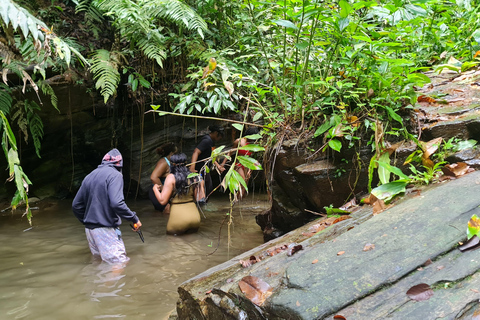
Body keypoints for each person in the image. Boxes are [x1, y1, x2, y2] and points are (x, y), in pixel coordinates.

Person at [72, 148, 142, 264]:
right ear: (119, 165)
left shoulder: (89, 176)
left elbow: (76, 205)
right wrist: (134, 218)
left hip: (90, 230)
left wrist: (88, 221)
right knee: (119, 264)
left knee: (100, 263)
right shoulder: (115, 175)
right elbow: (117, 203)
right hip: (105, 229)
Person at [152, 153, 201, 235]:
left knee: (173, 242)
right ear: (186, 163)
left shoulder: (171, 177)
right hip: (195, 218)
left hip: (178, 219)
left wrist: (155, 189)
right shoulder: (193, 177)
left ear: (172, 165)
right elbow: (197, 198)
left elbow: (162, 201)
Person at [190, 125, 225, 203]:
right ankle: (201, 205)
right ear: (216, 133)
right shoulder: (207, 141)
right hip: (199, 169)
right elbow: (196, 152)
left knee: (208, 188)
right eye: (220, 136)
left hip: (205, 168)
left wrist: (218, 166)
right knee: (203, 188)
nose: (220, 139)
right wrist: (192, 167)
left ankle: (203, 204)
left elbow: (210, 156)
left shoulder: (211, 141)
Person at [231, 127, 259, 199]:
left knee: (245, 185)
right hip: (238, 164)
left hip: (247, 165)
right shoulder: (239, 141)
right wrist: (221, 165)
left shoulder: (253, 144)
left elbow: (251, 157)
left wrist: (251, 168)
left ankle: (240, 203)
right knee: (242, 181)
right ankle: (235, 201)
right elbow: (230, 152)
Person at [148, 142, 177, 212]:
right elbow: (153, 177)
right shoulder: (163, 163)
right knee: (166, 213)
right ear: (171, 153)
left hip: (163, 193)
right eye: (175, 153)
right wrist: (163, 190)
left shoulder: (169, 162)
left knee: (163, 214)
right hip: (158, 192)